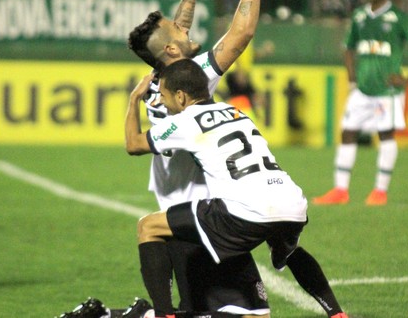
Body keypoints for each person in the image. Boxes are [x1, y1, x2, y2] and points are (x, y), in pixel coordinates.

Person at [124, 59, 349, 318]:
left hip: (244, 210)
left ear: (181, 96)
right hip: (291, 202)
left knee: (148, 227)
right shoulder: (236, 112)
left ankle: (163, 315)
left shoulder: (185, 121)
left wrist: (133, 101)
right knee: (288, 252)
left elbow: (134, 144)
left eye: (163, 96)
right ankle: (336, 314)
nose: (162, 102)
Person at [128, 0, 270, 317]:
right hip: (199, 223)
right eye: (178, 32)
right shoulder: (194, 79)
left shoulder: (169, 78)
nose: (185, 27)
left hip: (185, 218)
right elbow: (242, 33)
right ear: (172, 50)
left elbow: (177, 35)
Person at [313, 0, 408, 206]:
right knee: (347, 132)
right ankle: (340, 190)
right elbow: (347, 48)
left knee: (385, 134)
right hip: (362, 89)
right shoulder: (359, 16)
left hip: (387, 91)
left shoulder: (398, 18)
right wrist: (352, 79)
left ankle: (380, 191)